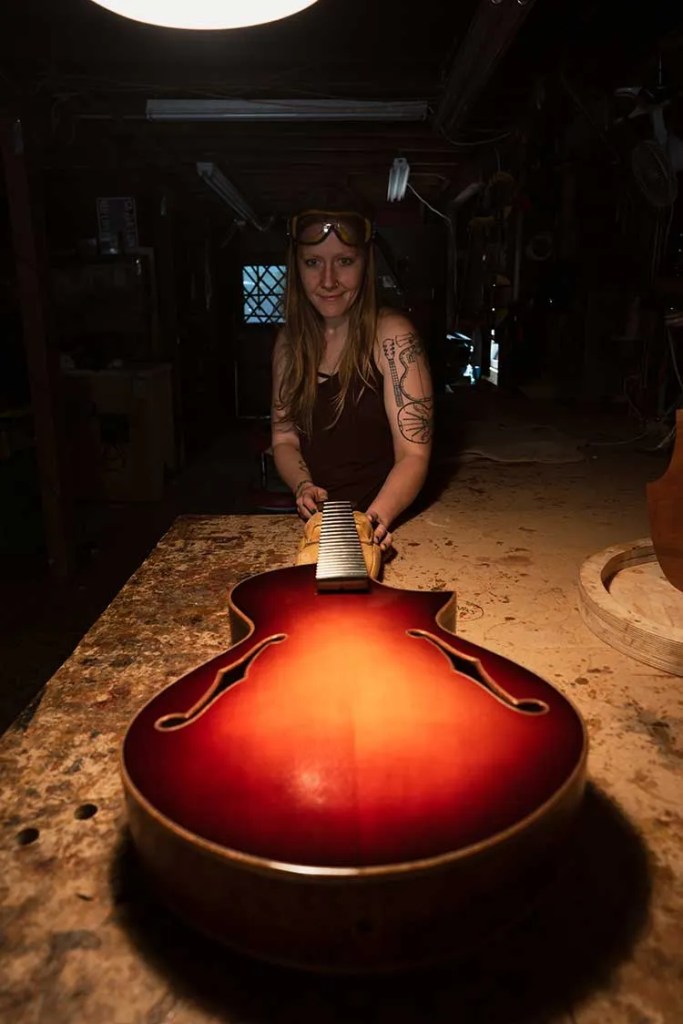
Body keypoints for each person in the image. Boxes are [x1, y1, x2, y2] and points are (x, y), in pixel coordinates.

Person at [271, 209, 433, 552]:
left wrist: (372, 522)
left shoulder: (393, 337)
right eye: (313, 263)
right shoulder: (289, 343)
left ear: (366, 264)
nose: (328, 280)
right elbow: (284, 437)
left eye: (344, 261)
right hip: (316, 526)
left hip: (387, 520)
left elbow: (413, 454)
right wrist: (302, 486)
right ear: (297, 267)